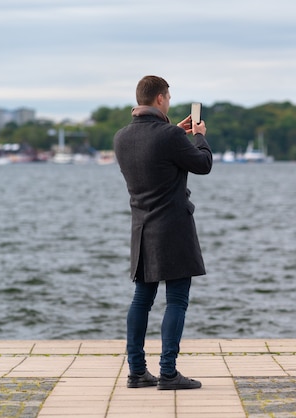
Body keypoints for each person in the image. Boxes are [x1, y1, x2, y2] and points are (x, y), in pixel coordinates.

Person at [113, 75, 212, 390]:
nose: (168, 102)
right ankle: (168, 372)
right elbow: (203, 164)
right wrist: (198, 136)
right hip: (173, 228)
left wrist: (176, 133)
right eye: (167, 97)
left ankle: (137, 371)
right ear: (160, 99)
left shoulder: (122, 137)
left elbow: (155, 153)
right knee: (177, 299)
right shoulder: (170, 136)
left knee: (142, 298)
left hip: (141, 228)